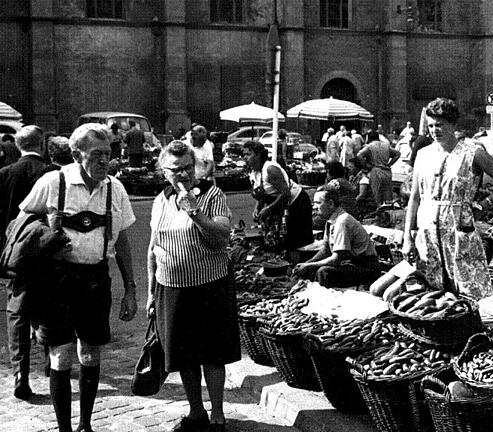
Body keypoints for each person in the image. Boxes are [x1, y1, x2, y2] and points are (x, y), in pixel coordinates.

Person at [20, 123, 138, 432]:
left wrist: (131, 288)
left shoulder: (116, 188)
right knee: (60, 355)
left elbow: (123, 241)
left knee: (90, 351)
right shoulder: (52, 182)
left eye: (109, 154)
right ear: (76, 154)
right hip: (57, 282)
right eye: (97, 155)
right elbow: (21, 222)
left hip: (95, 280)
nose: (104, 161)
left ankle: (86, 424)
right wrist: (43, 238)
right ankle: (64, 429)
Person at [146, 140, 240, 432]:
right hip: (171, 288)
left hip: (208, 286)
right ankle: (195, 411)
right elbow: (153, 248)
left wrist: (195, 213)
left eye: (188, 168)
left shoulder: (212, 195)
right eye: (175, 170)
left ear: (196, 167)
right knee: (183, 355)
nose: (183, 175)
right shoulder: (160, 199)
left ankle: (218, 415)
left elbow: (222, 237)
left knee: (211, 353)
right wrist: (151, 292)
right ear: (165, 172)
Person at [402, 97, 493, 299]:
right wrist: (407, 237)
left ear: (453, 124)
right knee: (431, 291)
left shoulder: (472, 153)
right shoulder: (423, 154)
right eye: (430, 125)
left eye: (440, 125)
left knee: (466, 289)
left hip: (458, 231)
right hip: (427, 231)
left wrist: (485, 204)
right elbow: (415, 199)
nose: (434, 130)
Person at [0, 125, 56, 400]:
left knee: (17, 312)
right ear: (42, 144)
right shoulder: (51, 173)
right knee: (48, 307)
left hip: (16, 253)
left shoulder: (5, 174)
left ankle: (20, 373)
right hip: (45, 250)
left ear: (19, 145)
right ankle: (51, 363)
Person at [244, 141, 313, 263]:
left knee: (294, 240)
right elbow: (262, 195)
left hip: (297, 203)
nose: (245, 158)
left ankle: (300, 266)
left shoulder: (270, 169)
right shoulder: (254, 173)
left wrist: (269, 209)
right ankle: (283, 263)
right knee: (279, 240)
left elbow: (285, 193)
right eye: (244, 154)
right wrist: (257, 208)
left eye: (248, 154)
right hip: (281, 204)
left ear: (259, 154)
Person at [294, 190, 379, 287]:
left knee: (324, 273)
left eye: (318, 203)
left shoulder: (342, 221)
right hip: (352, 264)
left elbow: (336, 259)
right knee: (308, 270)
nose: (314, 207)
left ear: (330, 203)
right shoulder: (331, 220)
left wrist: (309, 266)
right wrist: (307, 263)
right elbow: (326, 250)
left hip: (366, 267)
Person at [357, 129, 401, 206]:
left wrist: (366, 165)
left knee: (377, 197)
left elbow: (359, 155)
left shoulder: (369, 146)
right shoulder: (386, 145)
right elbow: (397, 154)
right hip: (387, 172)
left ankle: (378, 214)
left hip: (376, 171)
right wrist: (390, 164)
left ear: (369, 138)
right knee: (387, 198)